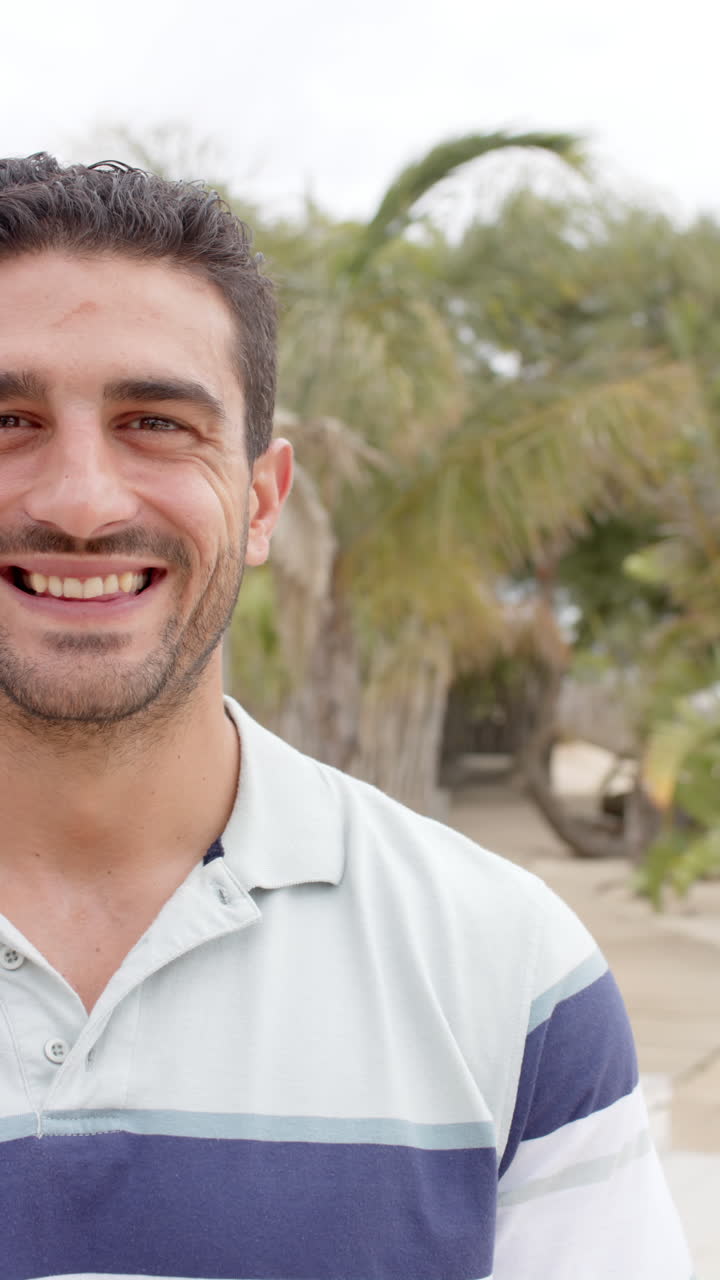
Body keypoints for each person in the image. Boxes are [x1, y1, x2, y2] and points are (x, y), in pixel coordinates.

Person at [0, 152, 691, 1280]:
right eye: (7, 415)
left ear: (264, 500)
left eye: (156, 422)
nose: (80, 498)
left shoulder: (506, 969)